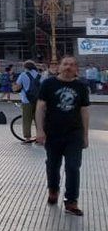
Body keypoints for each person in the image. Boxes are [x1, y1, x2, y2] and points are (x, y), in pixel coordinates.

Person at [36, 55, 91, 216]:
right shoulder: (48, 84)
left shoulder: (81, 86)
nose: (68, 67)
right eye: (65, 64)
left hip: (74, 134)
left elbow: (84, 111)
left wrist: (85, 135)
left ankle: (71, 201)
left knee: (73, 167)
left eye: (72, 65)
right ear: (59, 67)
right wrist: (40, 130)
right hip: (53, 133)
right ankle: (53, 189)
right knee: (53, 166)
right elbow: (40, 108)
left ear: (76, 69)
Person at [13, 60, 42, 143]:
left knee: (26, 119)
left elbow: (17, 87)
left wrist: (14, 87)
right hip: (38, 101)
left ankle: (27, 138)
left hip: (26, 100)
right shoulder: (39, 75)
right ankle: (40, 138)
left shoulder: (23, 75)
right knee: (38, 119)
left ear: (25, 67)